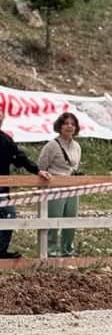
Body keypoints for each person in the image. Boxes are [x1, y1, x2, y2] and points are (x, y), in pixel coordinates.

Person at [0, 107, 51, 260]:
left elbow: (20, 158)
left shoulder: (6, 140)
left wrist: (37, 171)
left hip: (2, 191)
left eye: (0, 116)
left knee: (9, 216)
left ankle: (1, 251)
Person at [36, 113, 82, 257]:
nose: (69, 126)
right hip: (54, 187)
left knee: (71, 219)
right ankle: (50, 251)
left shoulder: (77, 146)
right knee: (53, 219)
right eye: (66, 123)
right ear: (60, 126)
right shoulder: (51, 145)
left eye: (72, 124)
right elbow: (41, 166)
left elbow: (75, 167)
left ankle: (67, 251)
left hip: (72, 187)